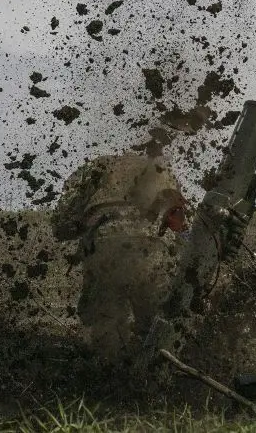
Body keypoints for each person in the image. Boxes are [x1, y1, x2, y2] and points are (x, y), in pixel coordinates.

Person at [51, 153, 188, 363]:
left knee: (105, 325)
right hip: (154, 247)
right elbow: (180, 224)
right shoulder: (161, 169)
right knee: (159, 323)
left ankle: (108, 377)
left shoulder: (95, 168)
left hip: (106, 244)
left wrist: (81, 227)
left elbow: (61, 224)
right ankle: (159, 375)